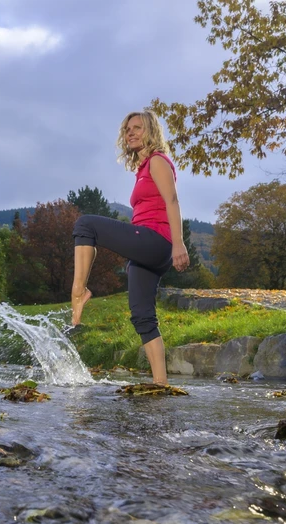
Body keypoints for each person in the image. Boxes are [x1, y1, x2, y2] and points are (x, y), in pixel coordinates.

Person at [70, 110, 189, 385]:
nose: (131, 133)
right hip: (148, 250)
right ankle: (162, 385)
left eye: (138, 128)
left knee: (85, 225)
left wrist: (179, 244)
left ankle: (79, 291)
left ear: (151, 132)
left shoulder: (158, 161)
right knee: (142, 316)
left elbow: (172, 201)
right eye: (127, 129)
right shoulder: (142, 169)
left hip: (157, 240)